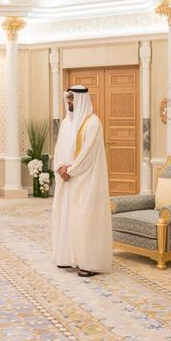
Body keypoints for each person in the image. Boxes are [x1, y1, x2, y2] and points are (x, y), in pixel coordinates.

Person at [51, 85, 112, 277]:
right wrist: (60, 167)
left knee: (85, 219)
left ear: (81, 99)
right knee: (66, 217)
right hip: (66, 180)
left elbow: (88, 154)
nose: (69, 102)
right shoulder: (65, 123)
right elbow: (58, 149)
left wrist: (71, 170)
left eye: (72, 99)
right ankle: (67, 257)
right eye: (68, 99)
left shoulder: (92, 123)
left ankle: (89, 263)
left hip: (85, 180)